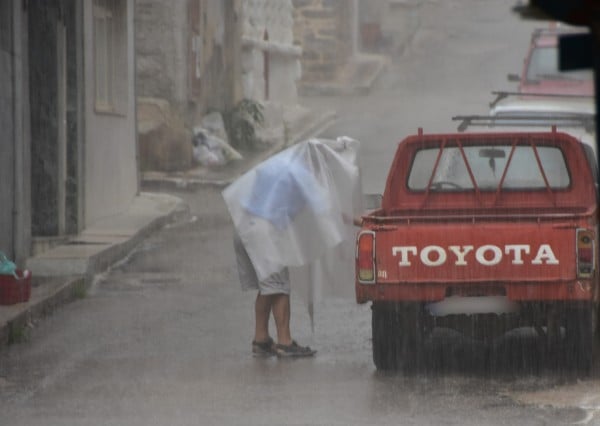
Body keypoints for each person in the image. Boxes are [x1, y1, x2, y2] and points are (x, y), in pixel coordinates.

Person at [233, 231, 316, 357]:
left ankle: (261, 340)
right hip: (264, 235)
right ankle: (285, 342)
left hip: (243, 230)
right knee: (279, 286)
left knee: (268, 286)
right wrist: (354, 220)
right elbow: (319, 211)